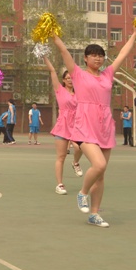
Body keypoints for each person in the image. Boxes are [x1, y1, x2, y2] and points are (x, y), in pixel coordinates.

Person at [52, 24, 136, 228]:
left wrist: (135, 33)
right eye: (93, 55)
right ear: (85, 58)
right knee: (98, 165)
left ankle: (94, 214)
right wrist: (54, 35)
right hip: (84, 126)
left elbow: (123, 53)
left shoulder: (108, 74)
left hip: (104, 126)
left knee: (100, 175)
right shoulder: (77, 74)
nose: (98, 59)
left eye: (100, 56)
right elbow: (64, 51)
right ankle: (82, 193)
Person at [44, 56, 84, 196]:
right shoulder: (59, 90)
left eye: (72, 78)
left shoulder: (80, 93)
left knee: (79, 147)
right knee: (61, 157)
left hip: (77, 125)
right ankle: (60, 185)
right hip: (63, 126)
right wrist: (44, 57)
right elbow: (52, 71)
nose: (70, 80)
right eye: (67, 78)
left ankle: (75, 163)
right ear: (63, 80)